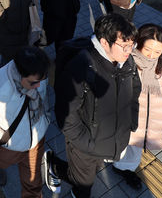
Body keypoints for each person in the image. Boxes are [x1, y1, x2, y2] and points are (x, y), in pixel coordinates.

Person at [43, 14, 141, 198]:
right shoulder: (81, 67)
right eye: (125, 45)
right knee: (83, 184)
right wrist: (85, 142)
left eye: (132, 44)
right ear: (104, 42)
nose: (130, 50)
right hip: (86, 143)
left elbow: (135, 90)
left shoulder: (126, 60)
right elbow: (66, 113)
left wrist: (131, 121)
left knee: (91, 171)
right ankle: (54, 166)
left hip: (111, 137)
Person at [0, 47, 51, 195]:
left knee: (33, 185)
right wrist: (7, 140)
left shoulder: (38, 73)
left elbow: (43, 96)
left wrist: (46, 116)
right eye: (34, 83)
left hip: (36, 139)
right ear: (20, 75)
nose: (39, 85)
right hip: (11, 147)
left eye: (42, 79)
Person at [113, 24, 162, 190]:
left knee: (136, 148)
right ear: (139, 43)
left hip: (152, 118)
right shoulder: (126, 61)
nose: (151, 55)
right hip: (128, 117)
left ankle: (126, 170)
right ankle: (117, 165)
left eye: (157, 52)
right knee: (119, 146)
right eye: (147, 49)